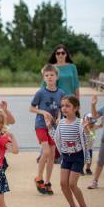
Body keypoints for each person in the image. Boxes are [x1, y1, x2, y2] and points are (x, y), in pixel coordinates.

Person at [44, 95, 92, 207]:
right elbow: (56, 138)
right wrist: (50, 126)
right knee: (63, 183)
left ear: (76, 108)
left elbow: (89, 139)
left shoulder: (80, 123)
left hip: (77, 157)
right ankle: (72, 206)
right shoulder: (61, 123)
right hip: (66, 157)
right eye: (62, 106)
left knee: (72, 184)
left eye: (67, 106)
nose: (64, 108)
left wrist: (87, 131)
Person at [30, 64, 65, 195]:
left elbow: (63, 109)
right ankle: (39, 178)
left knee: (51, 156)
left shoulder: (61, 93)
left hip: (53, 128)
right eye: (47, 75)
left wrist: (60, 118)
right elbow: (31, 108)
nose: (49, 77)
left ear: (56, 77)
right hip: (40, 125)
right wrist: (43, 112)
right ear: (44, 78)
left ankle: (47, 182)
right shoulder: (40, 92)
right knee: (45, 152)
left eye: (52, 75)